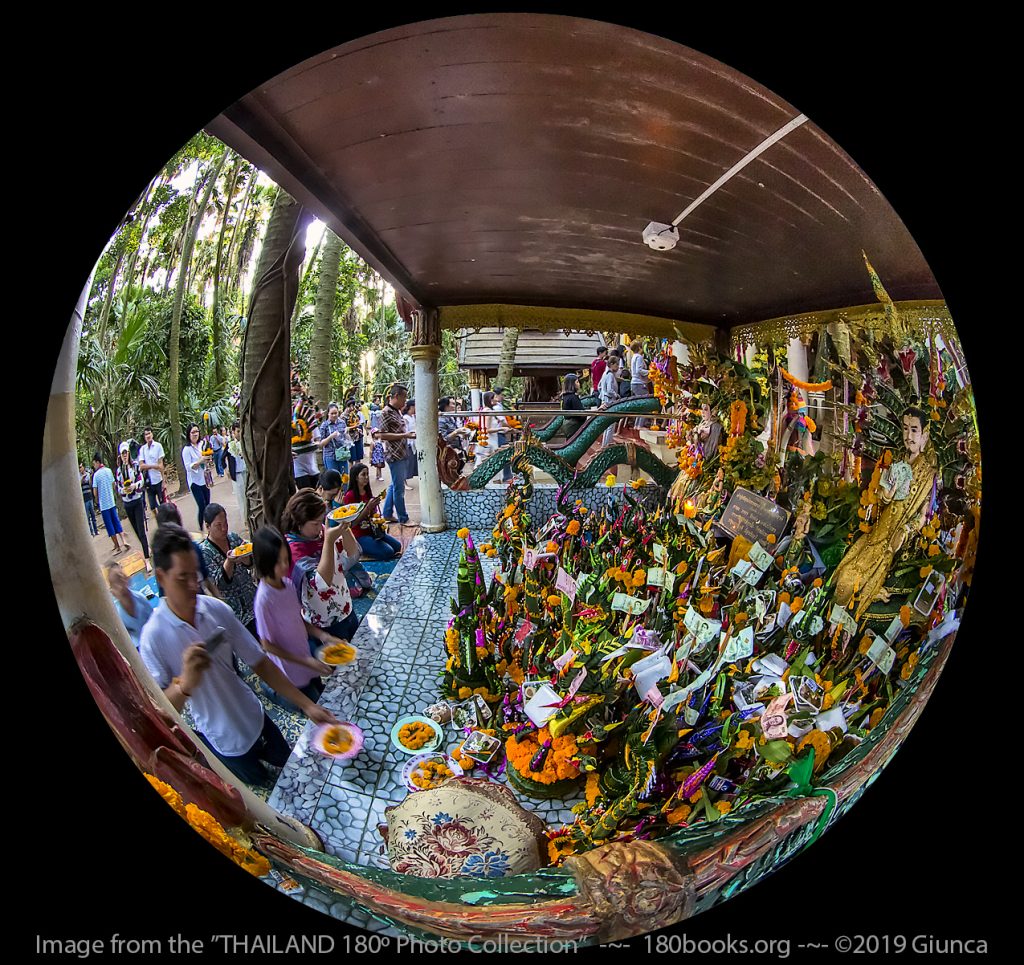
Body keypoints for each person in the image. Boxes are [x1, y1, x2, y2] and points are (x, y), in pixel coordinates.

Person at [140, 525, 339, 787]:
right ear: (161, 577)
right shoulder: (153, 638)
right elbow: (161, 710)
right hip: (226, 742)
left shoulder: (215, 610)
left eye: (195, 576)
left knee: (290, 765)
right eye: (181, 578)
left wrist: (307, 704)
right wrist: (185, 684)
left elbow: (260, 662)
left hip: (255, 716)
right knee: (263, 784)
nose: (192, 587)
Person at [832, 406, 939, 622]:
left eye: (914, 430)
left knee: (851, 584)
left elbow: (924, 516)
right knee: (843, 580)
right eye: (906, 429)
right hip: (877, 534)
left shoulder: (930, 474)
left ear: (924, 435)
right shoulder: (896, 461)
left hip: (898, 543)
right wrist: (885, 496)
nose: (909, 436)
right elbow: (881, 497)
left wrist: (907, 531)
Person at [252, 526, 339, 710]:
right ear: (265, 563)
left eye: (286, 559)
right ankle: (273, 690)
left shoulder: (288, 584)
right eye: (278, 562)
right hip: (290, 670)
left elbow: (298, 619)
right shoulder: (264, 600)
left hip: (304, 654)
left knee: (322, 692)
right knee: (314, 706)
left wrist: (323, 636)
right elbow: (267, 645)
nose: (285, 566)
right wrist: (305, 661)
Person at [281, 488, 379, 641]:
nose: (319, 526)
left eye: (321, 520)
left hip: (345, 607)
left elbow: (352, 556)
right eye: (315, 523)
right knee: (338, 663)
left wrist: (344, 525)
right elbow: (320, 583)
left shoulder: (321, 531)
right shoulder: (293, 549)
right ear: (299, 523)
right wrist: (329, 540)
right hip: (324, 623)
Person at [199, 503, 258, 638]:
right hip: (237, 613)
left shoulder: (233, 538)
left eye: (225, 523)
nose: (224, 528)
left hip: (253, 600)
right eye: (218, 525)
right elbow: (220, 584)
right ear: (208, 527)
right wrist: (230, 561)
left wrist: (246, 558)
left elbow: (250, 564)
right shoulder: (205, 552)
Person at [155, 503, 221, 600]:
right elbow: (206, 579)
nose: (192, 586)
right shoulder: (192, 548)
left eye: (193, 575)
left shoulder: (193, 548)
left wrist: (221, 604)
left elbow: (206, 578)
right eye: (182, 577)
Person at [344, 463, 403, 560]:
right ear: (355, 477)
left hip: (372, 531)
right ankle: (361, 548)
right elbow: (352, 524)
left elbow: (373, 515)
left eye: (367, 474)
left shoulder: (367, 492)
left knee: (397, 546)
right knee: (388, 552)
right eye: (363, 475)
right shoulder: (349, 496)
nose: (366, 477)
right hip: (358, 535)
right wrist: (368, 508)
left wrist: (375, 511)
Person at [379, 383, 415, 525]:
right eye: (404, 397)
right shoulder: (386, 412)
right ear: (396, 396)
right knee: (399, 489)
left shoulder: (396, 411)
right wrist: (404, 435)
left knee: (395, 485)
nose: (405, 401)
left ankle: (387, 513)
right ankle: (403, 518)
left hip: (401, 452)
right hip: (394, 455)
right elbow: (382, 435)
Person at [115, 441, 152, 573]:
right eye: (122, 453)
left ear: (129, 453)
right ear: (120, 455)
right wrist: (123, 490)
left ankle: (147, 559)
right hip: (127, 502)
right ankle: (146, 547)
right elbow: (118, 487)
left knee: (141, 530)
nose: (125, 455)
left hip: (136, 500)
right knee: (136, 530)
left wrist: (134, 486)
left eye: (126, 453)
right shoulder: (119, 471)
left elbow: (141, 480)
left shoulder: (135, 466)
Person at [106, 561, 153, 649]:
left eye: (120, 578)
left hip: (152, 638)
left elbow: (153, 619)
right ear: (112, 592)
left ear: (127, 579)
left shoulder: (140, 599)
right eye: (115, 584)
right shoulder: (118, 614)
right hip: (137, 647)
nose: (120, 587)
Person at [93, 452, 130, 554]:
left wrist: (97, 500)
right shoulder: (108, 471)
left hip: (104, 505)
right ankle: (124, 540)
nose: (94, 466)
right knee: (116, 521)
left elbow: (95, 492)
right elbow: (114, 484)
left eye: (94, 464)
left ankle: (118, 547)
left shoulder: (96, 475)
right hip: (111, 502)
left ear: (97, 462)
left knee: (110, 526)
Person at [182, 424, 213, 532]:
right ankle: (201, 529)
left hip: (205, 478)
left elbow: (208, 456)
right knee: (202, 505)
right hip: (194, 482)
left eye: (197, 431)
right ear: (188, 434)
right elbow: (189, 467)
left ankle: (210, 528)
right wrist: (201, 460)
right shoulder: (187, 449)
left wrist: (208, 459)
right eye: (193, 432)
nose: (195, 434)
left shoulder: (202, 444)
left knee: (208, 505)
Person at [137, 427, 166, 518]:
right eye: (146, 434)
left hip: (158, 479)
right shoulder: (142, 449)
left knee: (163, 504)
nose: (148, 436)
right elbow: (141, 466)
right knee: (152, 506)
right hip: (148, 482)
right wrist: (154, 466)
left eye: (149, 433)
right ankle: (159, 519)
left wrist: (164, 481)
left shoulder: (158, 446)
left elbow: (161, 465)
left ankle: (166, 522)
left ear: (152, 434)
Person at [315, 403, 349, 475]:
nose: (334, 415)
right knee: (333, 480)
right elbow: (321, 444)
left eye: (335, 413)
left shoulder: (342, 423)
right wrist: (330, 437)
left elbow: (347, 439)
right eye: (332, 413)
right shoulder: (324, 425)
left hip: (342, 455)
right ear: (328, 414)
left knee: (345, 477)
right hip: (330, 456)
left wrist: (346, 434)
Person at [227, 423, 248, 528]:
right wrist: (227, 470)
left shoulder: (246, 442)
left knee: (248, 496)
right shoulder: (230, 445)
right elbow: (222, 458)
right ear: (233, 432)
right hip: (237, 474)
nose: (239, 433)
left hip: (247, 472)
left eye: (241, 431)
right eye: (238, 431)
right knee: (241, 498)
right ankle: (245, 521)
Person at [598, 354, 622, 447]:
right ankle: (606, 445)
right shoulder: (610, 375)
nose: (617, 367)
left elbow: (600, 387)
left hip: (605, 400)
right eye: (616, 364)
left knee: (608, 425)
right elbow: (609, 390)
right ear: (612, 364)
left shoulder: (605, 374)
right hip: (609, 401)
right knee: (610, 425)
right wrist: (616, 395)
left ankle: (606, 444)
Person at [629, 339, 650, 428]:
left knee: (640, 406)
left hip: (635, 382)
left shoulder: (634, 357)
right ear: (640, 348)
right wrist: (650, 372)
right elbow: (639, 370)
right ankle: (639, 426)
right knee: (645, 405)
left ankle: (637, 425)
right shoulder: (639, 357)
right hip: (639, 383)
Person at [369, 396, 386, 481]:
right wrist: (370, 458)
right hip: (377, 457)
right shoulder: (373, 443)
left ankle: (377, 475)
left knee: (379, 466)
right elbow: (371, 451)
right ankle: (379, 476)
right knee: (379, 466)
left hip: (380, 456)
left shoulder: (379, 441)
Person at [402, 399, 418, 482]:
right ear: (412, 407)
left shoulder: (413, 416)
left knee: (411, 462)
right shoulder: (405, 418)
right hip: (408, 443)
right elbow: (406, 432)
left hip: (414, 443)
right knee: (407, 463)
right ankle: (404, 481)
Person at [80, 463, 98, 537]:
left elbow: (91, 485)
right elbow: (78, 486)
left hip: (90, 497)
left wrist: (90, 477)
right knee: (87, 516)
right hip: (84, 499)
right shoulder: (78, 476)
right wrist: (82, 479)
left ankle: (96, 530)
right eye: (79, 467)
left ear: (83, 467)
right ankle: (91, 532)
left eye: (81, 467)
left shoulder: (87, 474)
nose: (80, 468)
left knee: (93, 514)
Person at [345, 398, 365, 463]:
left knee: (358, 457)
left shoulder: (354, 414)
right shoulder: (343, 416)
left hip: (357, 437)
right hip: (350, 439)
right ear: (347, 406)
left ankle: (358, 472)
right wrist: (354, 427)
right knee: (351, 458)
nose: (352, 407)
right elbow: (344, 429)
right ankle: (352, 472)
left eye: (353, 405)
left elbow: (357, 423)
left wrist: (358, 429)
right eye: (350, 406)